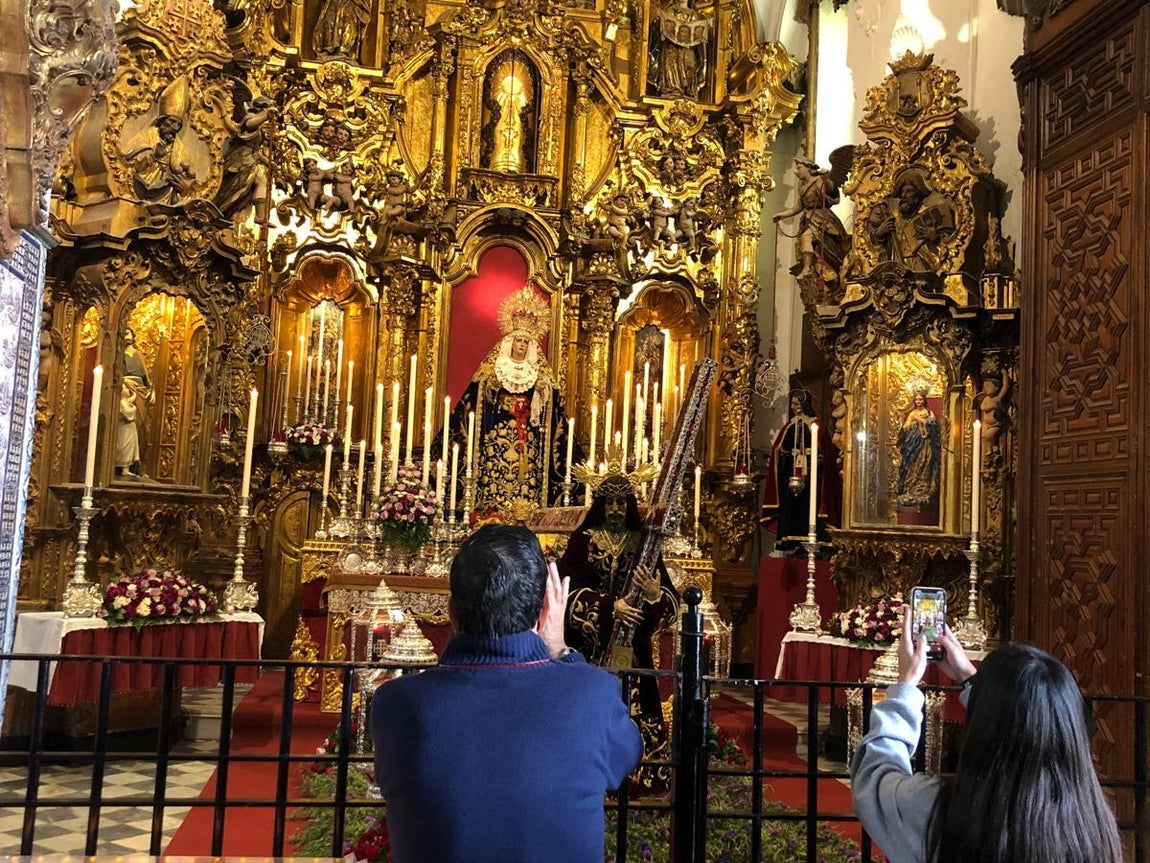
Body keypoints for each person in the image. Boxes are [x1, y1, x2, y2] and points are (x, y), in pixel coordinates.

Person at [372, 524, 642, 863]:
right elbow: (626, 758)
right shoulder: (593, 694)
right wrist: (560, 651)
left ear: (451, 611)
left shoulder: (396, 704)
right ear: (545, 611)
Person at [851, 613, 1122, 863]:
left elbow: (873, 777)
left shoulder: (938, 810)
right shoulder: (1092, 823)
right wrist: (974, 682)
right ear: (1070, 727)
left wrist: (906, 687)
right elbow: (1024, 719)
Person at [560, 472, 679, 796]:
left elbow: (671, 603)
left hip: (634, 653)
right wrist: (612, 607)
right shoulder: (583, 540)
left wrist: (654, 595)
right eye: (609, 502)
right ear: (601, 505)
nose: (615, 509)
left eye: (621, 503)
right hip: (591, 650)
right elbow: (565, 594)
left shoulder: (644, 545)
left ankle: (640, 780)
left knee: (634, 713)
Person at [446, 286, 578, 516]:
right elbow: (475, 398)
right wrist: (492, 389)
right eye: (518, 341)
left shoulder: (539, 373)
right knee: (494, 472)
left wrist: (541, 392)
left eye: (526, 342)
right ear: (510, 342)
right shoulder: (495, 368)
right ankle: (491, 514)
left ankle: (524, 513)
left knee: (525, 476)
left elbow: (551, 407)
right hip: (497, 437)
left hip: (526, 438)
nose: (521, 345)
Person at [761, 389, 838, 553]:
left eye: (796, 403)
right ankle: (791, 540)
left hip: (811, 477)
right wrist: (783, 456)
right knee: (792, 507)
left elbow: (827, 453)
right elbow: (778, 449)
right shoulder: (789, 426)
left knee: (811, 505)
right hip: (792, 476)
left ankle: (814, 542)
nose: (793, 407)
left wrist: (817, 460)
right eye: (792, 403)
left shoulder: (815, 426)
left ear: (804, 404)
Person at [773, 156, 851, 279]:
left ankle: (807, 268)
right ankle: (809, 267)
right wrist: (782, 215)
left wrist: (827, 178)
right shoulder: (803, 187)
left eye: (799, 168)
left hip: (822, 217)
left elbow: (830, 190)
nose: (796, 171)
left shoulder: (819, 180)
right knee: (807, 240)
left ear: (808, 168)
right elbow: (798, 206)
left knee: (808, 237)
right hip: (809, 218)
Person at [868, 168, 956, 272]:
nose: (904, 195)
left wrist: (935, 237)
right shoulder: (893, 219)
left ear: (919, 194)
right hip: (895, 268)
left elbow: (951, 241)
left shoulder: (932, 215)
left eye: (909, 191)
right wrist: (879, 234)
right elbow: (876, 247)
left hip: (922, 265)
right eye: (902, 191)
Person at [648, 0, 711, 98]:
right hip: (671, 49)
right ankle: (671, 91)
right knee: (671, 67)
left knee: (689, 69)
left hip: (688, 51)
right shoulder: (669, 11)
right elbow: (657, 36)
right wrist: (659, 22)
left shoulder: (696, 16)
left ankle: (688, 91)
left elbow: (701, 44)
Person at [897, 386, 941, 509]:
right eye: (916, 400)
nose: (918, 402)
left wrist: (921, 420)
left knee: (925, 462)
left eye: (920, 400)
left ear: (924, 401)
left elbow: (933, 425)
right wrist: (911, 423)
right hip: (913, 444)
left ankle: (923, 489)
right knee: (912, 465)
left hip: (925, 444)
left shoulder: (928, 413)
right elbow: (905, 427)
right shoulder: (912, 413)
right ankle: (910, 488)